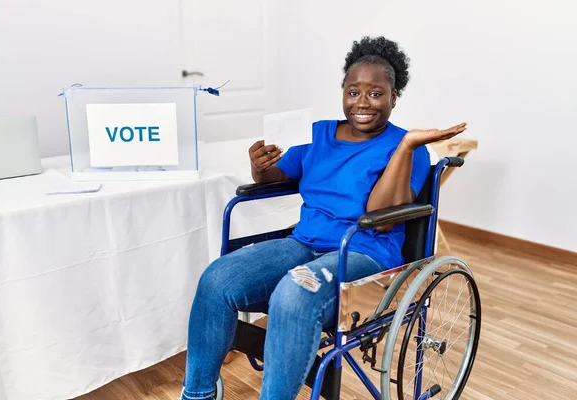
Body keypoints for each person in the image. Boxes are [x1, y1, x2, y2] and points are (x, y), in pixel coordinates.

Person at [181, 35, 466, 400]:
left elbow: (382, 219)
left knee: (293, 294)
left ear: (394, 97)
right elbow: (275, 177)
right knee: (217, 280)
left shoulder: (410, 150)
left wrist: (408, 144)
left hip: (364, 254)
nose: (363, 103)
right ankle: (198, 394)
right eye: (353, 92)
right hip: (304, 243)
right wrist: (259, 166)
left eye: (376, 94)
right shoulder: (316, 134)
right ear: (343, 93)